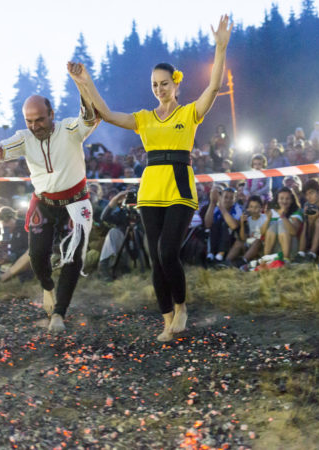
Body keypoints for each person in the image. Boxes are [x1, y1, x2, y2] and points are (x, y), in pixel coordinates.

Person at [70, 15, 232, 341]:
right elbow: (105, 112)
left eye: (165, 83)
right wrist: (84, 82)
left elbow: (214, 86)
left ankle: (182, 306)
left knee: (168, 251)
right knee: (155, 258)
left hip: (180, 189)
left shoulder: (190, 113)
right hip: (150, 192)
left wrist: (220, 47)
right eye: (155, 85)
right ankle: (167, 318)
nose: (160, 89)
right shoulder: (144, 119)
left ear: (176, 84)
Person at [0, 87, 99, 332]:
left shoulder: (70, 129)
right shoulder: (24, 137)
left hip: (77, 202)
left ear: (51, 114)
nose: (35, 126)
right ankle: (47, 288)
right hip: (44, 202)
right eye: (30, 121)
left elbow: (89, 116)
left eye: (40, 119)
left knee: (73, 256)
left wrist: (80, 81)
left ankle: (59, 314)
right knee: (36, 255)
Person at [263, 187, 303, 260]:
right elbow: (262, 232)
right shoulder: (271, 212)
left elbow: (294, 232)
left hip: (291, 248)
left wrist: (283, 217)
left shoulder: (296, 212)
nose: (284, 201)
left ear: (291, 200)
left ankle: (286, 259)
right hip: (273, 249)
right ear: (277, 199)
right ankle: (266, 258)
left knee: (281, 223)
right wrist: (268, 219)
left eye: (287, 199)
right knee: (273, 224)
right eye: (281, 198)